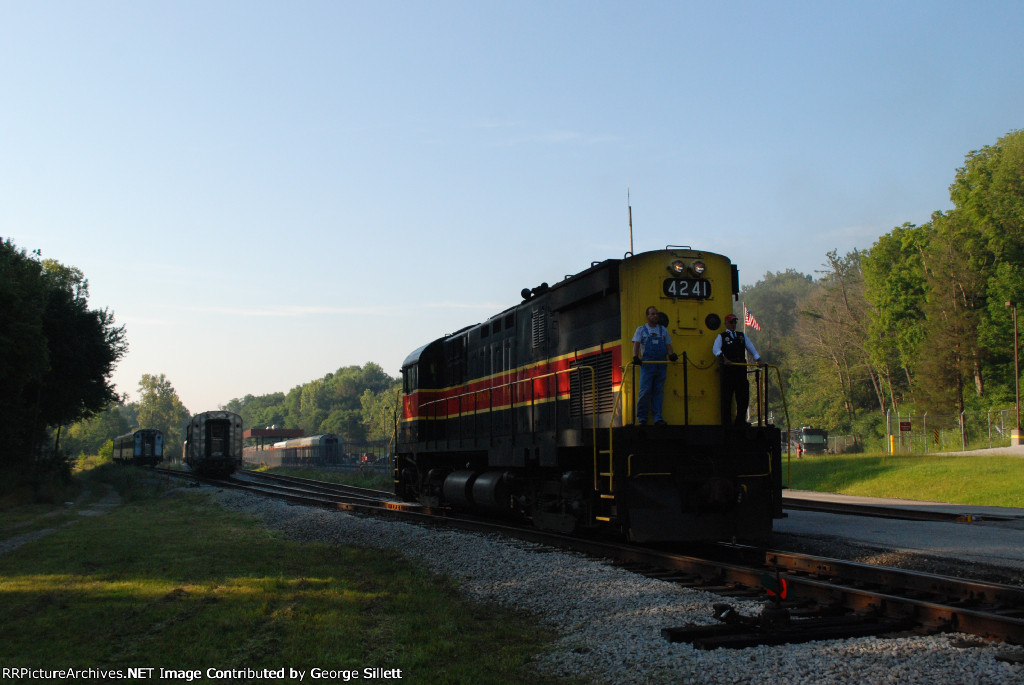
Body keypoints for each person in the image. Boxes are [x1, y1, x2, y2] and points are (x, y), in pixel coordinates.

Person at [712, 313, 764, 426]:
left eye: (735, 322)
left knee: (743, 396)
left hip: (740, 369)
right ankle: (726, 422)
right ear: (726, 323)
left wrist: (758, 359)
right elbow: (715, 349)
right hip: (728, 371)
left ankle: (740, 421)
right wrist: (724, 359)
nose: (733, 324)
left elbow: (751, 347)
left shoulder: (741, 336)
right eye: (731, 322)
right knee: (727, 397)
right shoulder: (721, 337)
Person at [631, 306, 678, 426]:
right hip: (647, 365)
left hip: (661, 365)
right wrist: (635, 356)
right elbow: (636, 344)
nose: (655, 316)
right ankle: (642, 418)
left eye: (656, 314)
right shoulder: (641, 330)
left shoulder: (663, 330)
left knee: (658, 391)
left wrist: (671, 355)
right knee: (645, 391)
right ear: (647, 316)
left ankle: (658, 417)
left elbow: (668, 345)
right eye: (652, 314)